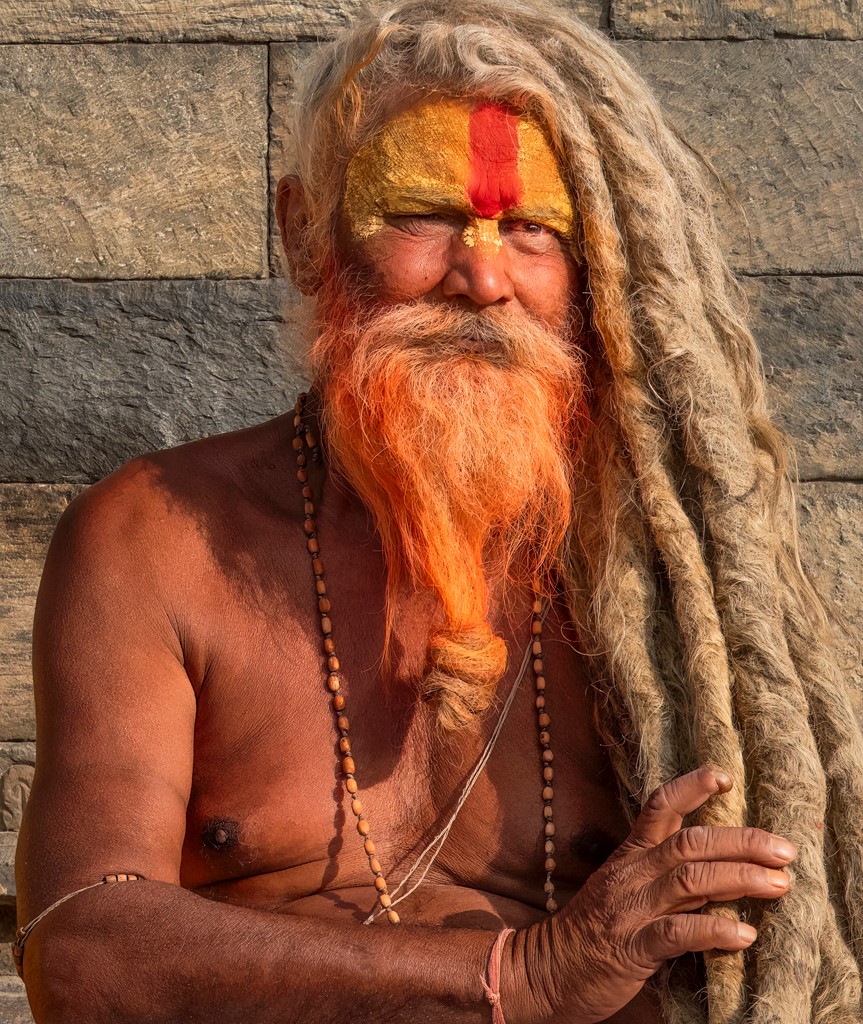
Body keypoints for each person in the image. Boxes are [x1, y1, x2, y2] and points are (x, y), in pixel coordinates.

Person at [14, 0, 863, 1021]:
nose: (483, 278)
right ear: (302, 232)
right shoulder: (153, 537)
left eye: (535, 230)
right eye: (422, 214)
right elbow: (83, 951)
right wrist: (522, 976)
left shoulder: (669, 588)